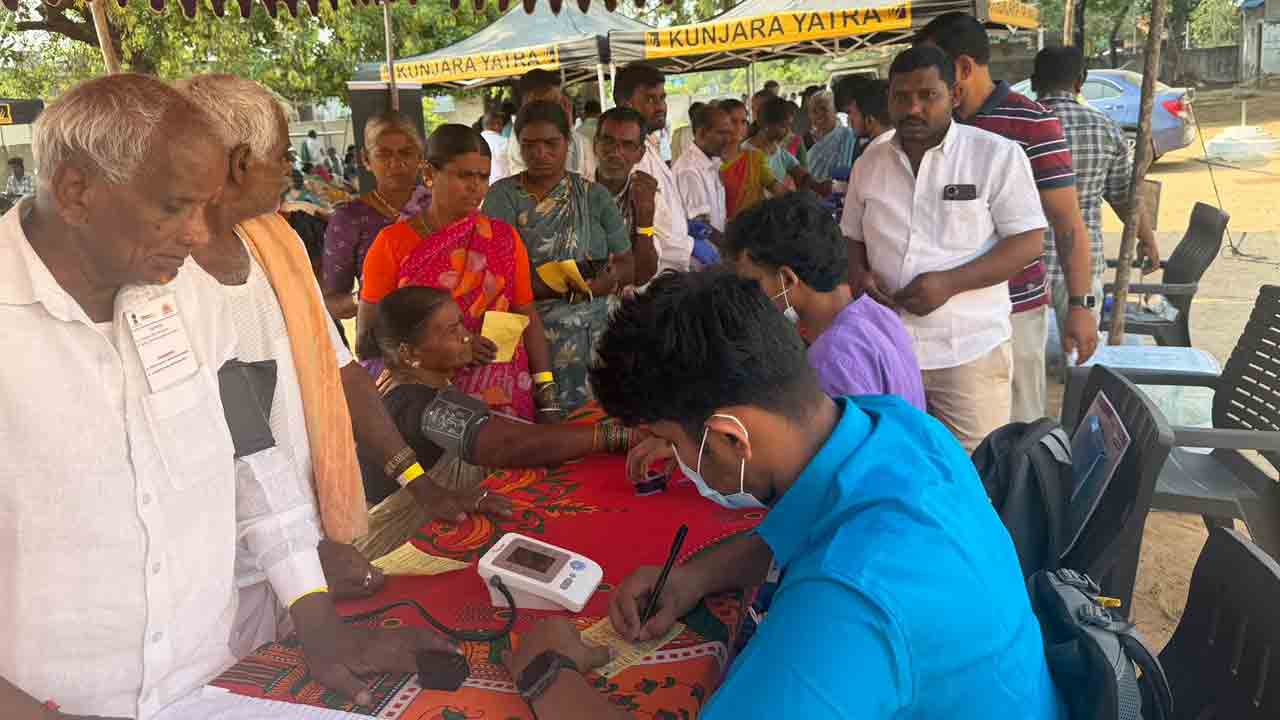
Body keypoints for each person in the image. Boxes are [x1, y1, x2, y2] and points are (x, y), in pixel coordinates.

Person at [0, 73, 457, 720]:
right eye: (174, 206)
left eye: (206, 205)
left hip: (218, 683)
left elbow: (253, 454)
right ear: (76, 192)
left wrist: (319, 621)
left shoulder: (189, 293)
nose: (195, 234)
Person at [501, 270, 1065, 720]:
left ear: (728, 437)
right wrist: (692, 576)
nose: (671, 462)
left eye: (670, 443)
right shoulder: (890, 427)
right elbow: (811, 523)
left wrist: (547, 672)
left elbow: (849, 584)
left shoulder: (853, 598)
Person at [180, 74, 516, 651]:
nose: (291, 167)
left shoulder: (276, 244)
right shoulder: (167, 271)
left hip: (303, 540)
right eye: (283, 155)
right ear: (239, 163)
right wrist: (296, 553)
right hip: (215, 562)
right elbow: (235, 431)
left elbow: (342, 371)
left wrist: (417, 483)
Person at [842, 46, 1047, 452]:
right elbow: (852, 236)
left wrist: (949, 284)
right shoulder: (871, 159)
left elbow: (1028, 242)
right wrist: (860, 275)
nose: (913, 108)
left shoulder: (995, 155)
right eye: (901, 97)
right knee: (900, 464)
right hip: (890, 350)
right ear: (888, 100)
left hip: (968, 351)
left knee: (974, 474)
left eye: (927, 95)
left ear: (953, 95)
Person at [358, 286, 638, 558]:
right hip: (390, 551)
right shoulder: (414, 403)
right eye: (452, 331)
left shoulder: (401, 381)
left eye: (462, 325)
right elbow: (508, 444)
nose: (467, 337)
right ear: (409, 353)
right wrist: (618, 437)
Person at [916, 12, 1098, 422]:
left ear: (962, 68)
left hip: (1013, 314)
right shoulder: (932, 129)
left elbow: (1067, 224)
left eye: (932, 71)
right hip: (941, 317)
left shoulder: (1032, 124)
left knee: (1014, 434)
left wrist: (1082, 306)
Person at [361, 124, 557, 422]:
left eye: (483, 177)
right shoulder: (391, 245)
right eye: (464, 175)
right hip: (429, 403)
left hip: (506, 394)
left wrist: (547, 395)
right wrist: (452, 346)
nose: (476, 186)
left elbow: (526, 315)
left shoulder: (503, 239)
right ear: (428, 174)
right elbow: (368, 338)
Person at [484, 101, 633, 412]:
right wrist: (582, 283)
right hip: (530, 337)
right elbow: (504, 280)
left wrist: (610, 279)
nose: (540, 153)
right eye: (530, 145)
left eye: (551, 143)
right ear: (519, 146)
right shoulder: (503, 197)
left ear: (568, 142)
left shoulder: (594, 196)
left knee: (598, 427)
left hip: (595, 339)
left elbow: (626, 264)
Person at [727, 193, 925, 409]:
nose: (748, 296)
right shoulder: (878, 314)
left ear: (787, 280)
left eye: (752, 283)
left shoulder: (829, 362)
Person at [1031, 45, 1161, 346]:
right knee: (1081, 355)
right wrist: (1147, 238)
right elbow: (1124, 198)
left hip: (1022, 267)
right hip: (1083, 266)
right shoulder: (1104, 128)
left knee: (1023, 363)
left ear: (1035, 81)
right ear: (1080, 81)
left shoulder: (1019, 128)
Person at [322, 112, 429, 329]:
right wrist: (365, 297)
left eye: (406, 153)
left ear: (420, 158)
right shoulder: (349, 219)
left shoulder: (437, 206)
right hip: (383, 347)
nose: (395, 163)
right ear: (366, 159)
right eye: (383, 154)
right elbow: (331, 302)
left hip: (447, 340)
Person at [612, 64, 693, 275]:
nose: (661, 106)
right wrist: (690, 248)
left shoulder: (648, 144)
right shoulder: (628, 157)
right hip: (656, 274)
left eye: (662, 97)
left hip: (674, 268)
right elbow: (652, 226)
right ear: (626, 105)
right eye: (650, 99)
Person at [593, 107, 661, 283]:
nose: (616, 153)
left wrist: (645, 219)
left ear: (640, 154)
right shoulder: (573, 192)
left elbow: (642, 276)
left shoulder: (648, 195)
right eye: (608, 141)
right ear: (595, 145)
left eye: (628, 145)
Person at [504, 69, 595, 180]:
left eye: (560, 101)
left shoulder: (573, 137)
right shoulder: (524, 138)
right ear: (532, 99)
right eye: (554, 101)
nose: (559, 106)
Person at [718, 97, 787, 222]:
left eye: (743, 122)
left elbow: (775, 186)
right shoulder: (710, 165)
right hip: (723, 233)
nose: (739, 127)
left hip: (755, 229)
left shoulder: (755, 158)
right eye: (733, 121)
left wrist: (799, 200)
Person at [672, 103, 731, 242]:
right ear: (702, 133)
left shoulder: (712, 163)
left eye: (728, 133)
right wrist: (730, 249)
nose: (728, 140)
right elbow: (701, 227)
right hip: (701, 258)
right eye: (721, 133)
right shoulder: (689, 170)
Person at [748, 97, 815, 194]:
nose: (788, 131)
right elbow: (776, 190)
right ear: (766, 125)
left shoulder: (778, 151)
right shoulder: (748, 154)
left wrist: (818, 186)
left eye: (789, 125)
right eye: (783, 126)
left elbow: (801, 174)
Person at [804, 90, 858, 196]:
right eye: (814, 111)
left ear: (835, 111)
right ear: (809, 115)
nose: (819, 114)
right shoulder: (806, 140)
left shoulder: (847, 136)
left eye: (824, 109)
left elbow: (845, 174)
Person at [481, 108, 511, 184]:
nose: (502, 128)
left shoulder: (474, 142)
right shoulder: (504, 142)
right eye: (501, 124)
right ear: (496, 125)